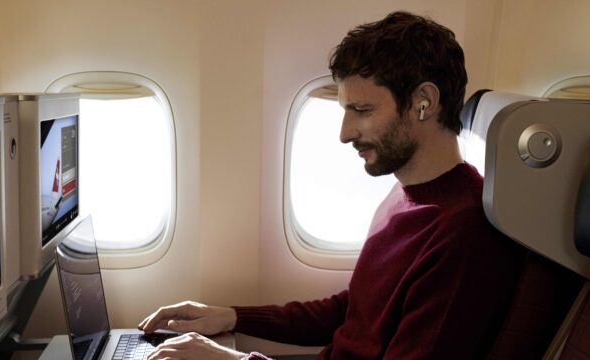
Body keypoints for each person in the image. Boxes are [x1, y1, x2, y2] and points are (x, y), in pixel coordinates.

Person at [140, 11, 526, 360]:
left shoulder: (463, 233)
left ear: (423, 102)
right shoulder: (404, 197)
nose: (344, 134)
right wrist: (231, 317)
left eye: (362, 110)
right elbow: (353, 312)